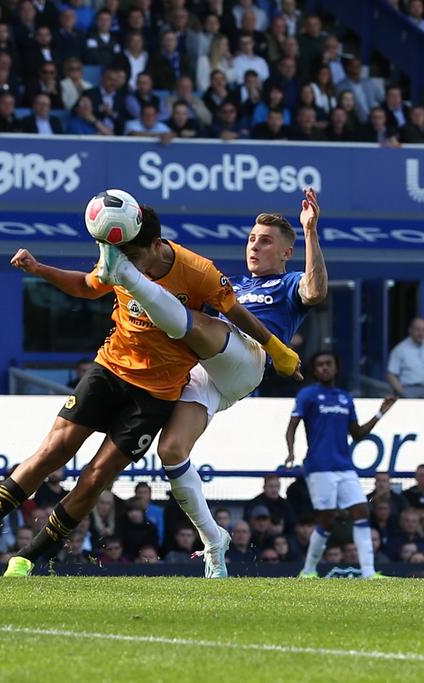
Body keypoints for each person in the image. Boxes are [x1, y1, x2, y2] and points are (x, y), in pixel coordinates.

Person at [0, 202, 265, 577]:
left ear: (157, 245)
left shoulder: (199, 272)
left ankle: (28, 556)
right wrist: (38, 268)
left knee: (96, 476)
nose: (130, 269)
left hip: (157, 395)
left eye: (136, 258)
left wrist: (276, 350)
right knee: (52, 450)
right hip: (110, 369)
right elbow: (89, 286)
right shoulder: (119, 256)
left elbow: (234, 312)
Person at [93, 191, 315, 578]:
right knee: (171, 451)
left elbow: (315, 291)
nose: (254, 246)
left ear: (286, 253)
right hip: (209, 371)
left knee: (197, 323)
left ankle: (124, 270)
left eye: (265, 241)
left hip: (247, 359)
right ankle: (214, 541)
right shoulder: (236, 287)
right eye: (251, 239)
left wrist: (311, 231)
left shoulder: (289, 283)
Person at [285, 350, 397, 579]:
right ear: (314, 370)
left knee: (361, 511)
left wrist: (379, 413)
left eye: (329, 364)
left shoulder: (346, 397)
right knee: (326, 521)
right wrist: (290, 453)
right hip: (319, 467)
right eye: (320, 365)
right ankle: (308, 570)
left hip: (345, 467)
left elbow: (356, 433)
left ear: (336, 367)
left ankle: (368, 573)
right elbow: (292, 426)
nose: (324, 368)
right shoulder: (307, 395)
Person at [386, 318, 424, 398]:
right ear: (410, 330)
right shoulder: (400, 349)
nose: (421, 333)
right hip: (410, 389)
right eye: (418, 330)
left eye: (423, 330)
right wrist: (402, 392)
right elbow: (391, 374)